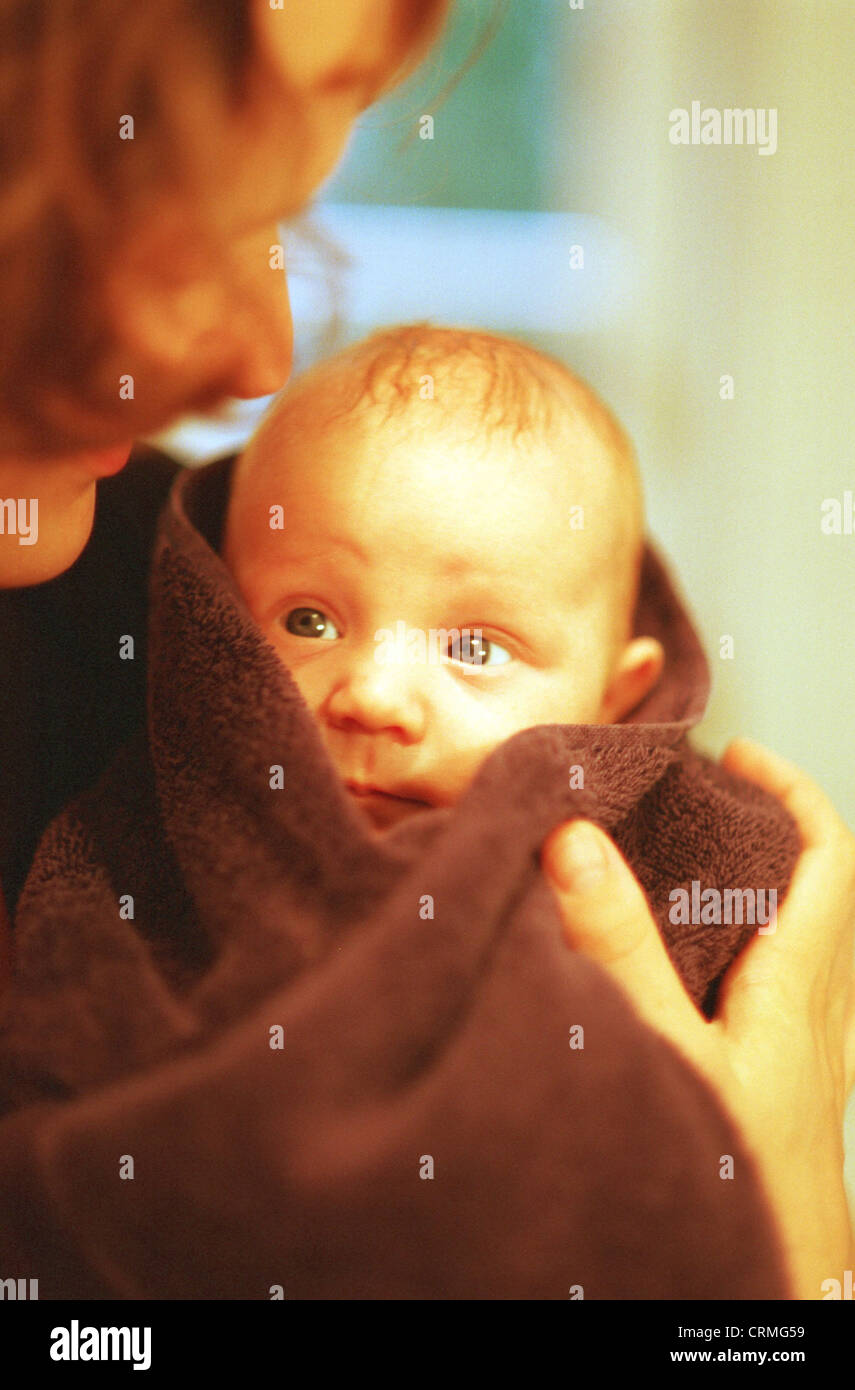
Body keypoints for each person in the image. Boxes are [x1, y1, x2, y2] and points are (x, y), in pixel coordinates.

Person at [0, 0, 851, 1300]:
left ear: (620, 692)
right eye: (176, 215)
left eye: (284, 216)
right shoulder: (159, 733)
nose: (262, 353)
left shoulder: (110, 592)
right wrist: (780, 1268)